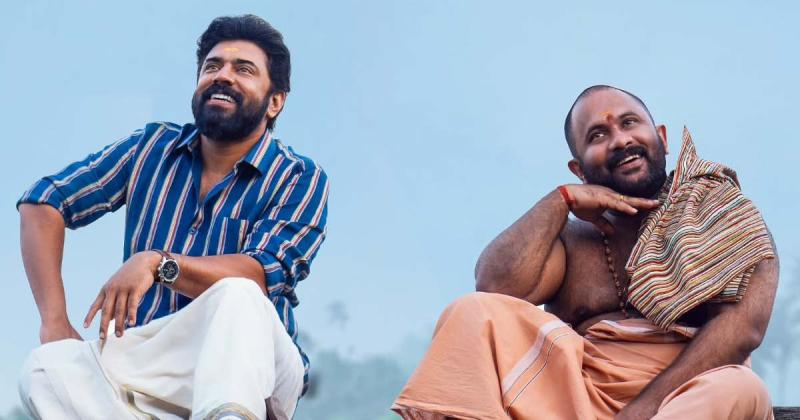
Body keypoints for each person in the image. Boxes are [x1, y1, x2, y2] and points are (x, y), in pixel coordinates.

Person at [392, 85, 778, 420]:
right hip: (579, 401)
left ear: (661, 137)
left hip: (687, 400)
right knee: (470, 311)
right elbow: (494, 286)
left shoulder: (723, 214)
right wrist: (560, 200)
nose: (620, 140)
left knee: (741, 387)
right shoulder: (573, 239)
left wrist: (641, 410)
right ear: (578, 169)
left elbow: (744, 329)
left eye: (629, 122)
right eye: (597, 135)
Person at [17, 15, 328, 420]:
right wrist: (55, 322)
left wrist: (158, 264)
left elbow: (260, 274)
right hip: (149, 360)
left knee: (238, 295)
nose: (223, 76)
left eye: (243, 69)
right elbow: (43, 202)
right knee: (44, 368)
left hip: (255, 363)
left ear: (275, 102)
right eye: (212, 67)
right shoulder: (151, 147)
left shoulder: (298, 176)